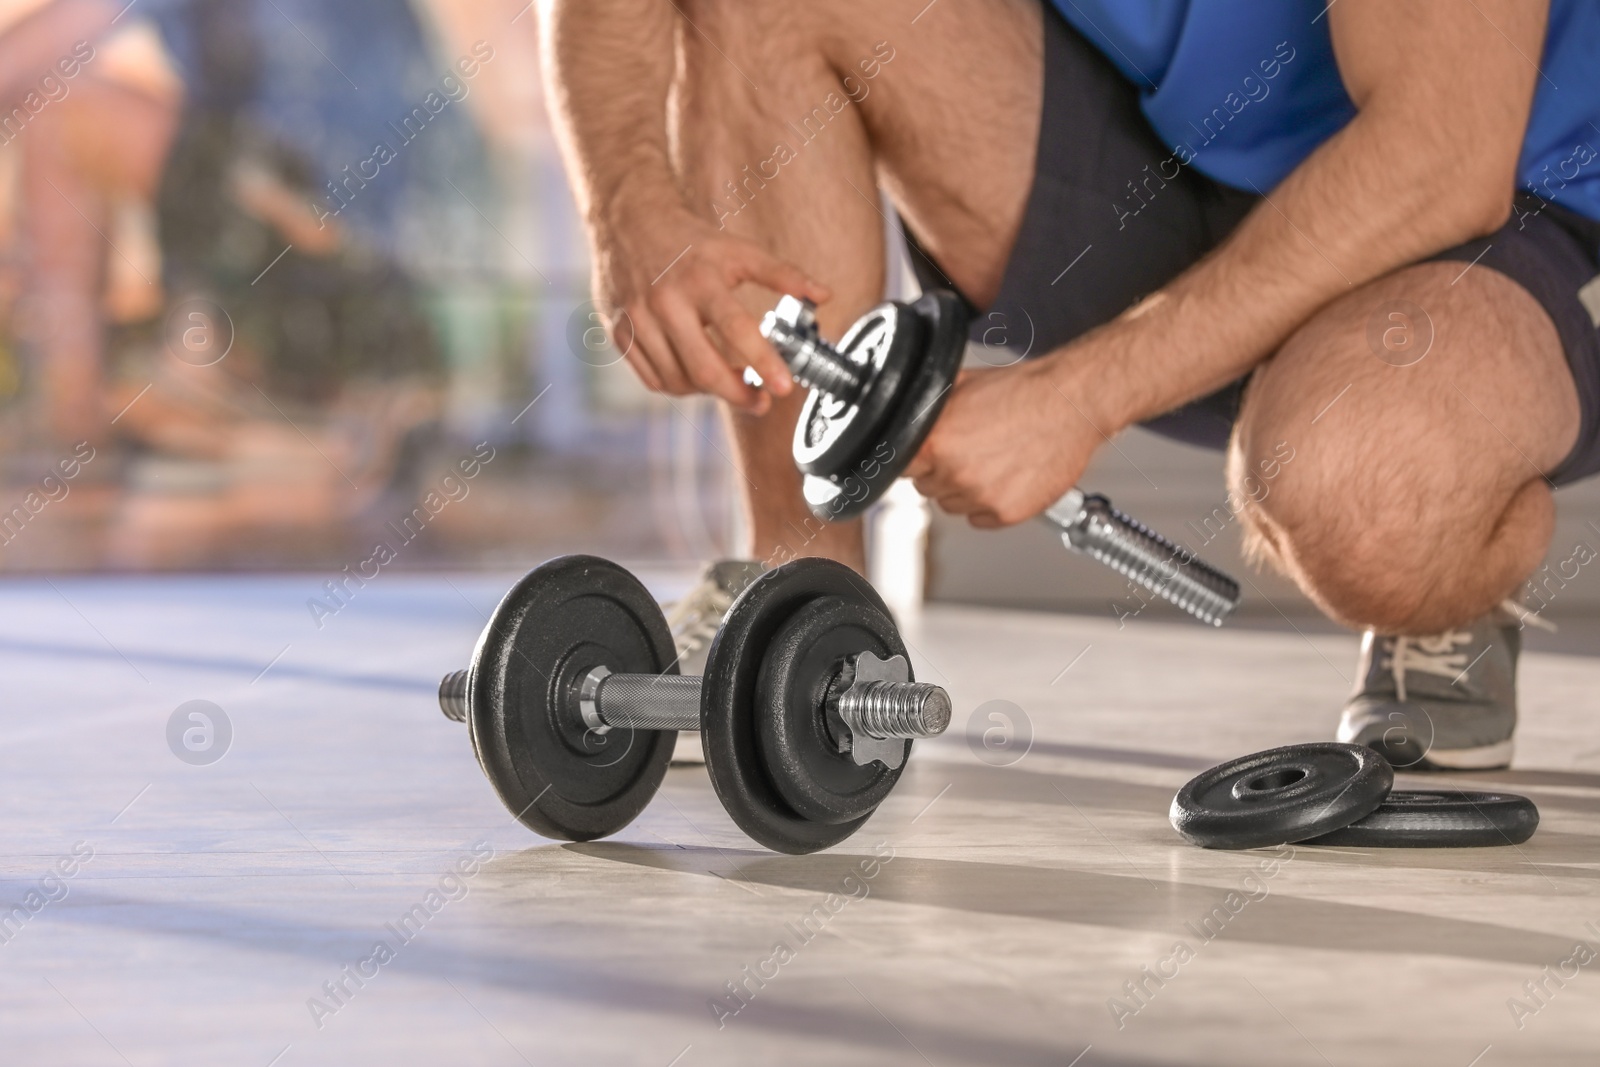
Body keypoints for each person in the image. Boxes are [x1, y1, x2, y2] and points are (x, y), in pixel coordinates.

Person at [537, 0, 1600, 771]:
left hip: (1494, 210)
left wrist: (1073, 398)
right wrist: (624, 207)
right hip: (1168, 150)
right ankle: (802, 599)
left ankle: (1445, 574)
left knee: (1362, 493)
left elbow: (1442, 150)